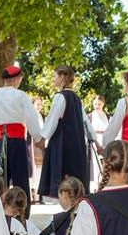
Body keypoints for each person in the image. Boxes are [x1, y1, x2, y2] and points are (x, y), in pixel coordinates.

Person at [0, 66, 44, 208]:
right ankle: (22, 213)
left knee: (0, 179)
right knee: (20, 179)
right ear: (16, 79)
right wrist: (38, 139)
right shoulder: (21, 95)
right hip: (17, 142)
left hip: (0, 141)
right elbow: (31, 118)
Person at [39, 66, 99, 199]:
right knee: (74, 177)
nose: (53, 79)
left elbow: (53, 119)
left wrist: (42, 139)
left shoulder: (60, 97)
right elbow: (86, 122)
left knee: (63, 177)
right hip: (77, 145)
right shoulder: (76, 98)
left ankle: (66, 202)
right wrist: (96, 142)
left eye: (54, 76)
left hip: (62, 144)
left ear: (62, 77)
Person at [88, 95, 110, 186]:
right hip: (94, 141)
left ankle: (105, 182)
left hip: (105, 140)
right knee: (95, 164)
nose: (97, 106)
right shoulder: (89, 117)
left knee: (106, 163)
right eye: (95, 104)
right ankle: (96, 184)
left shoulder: (108, 117)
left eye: (99, 104)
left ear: (103, 104)